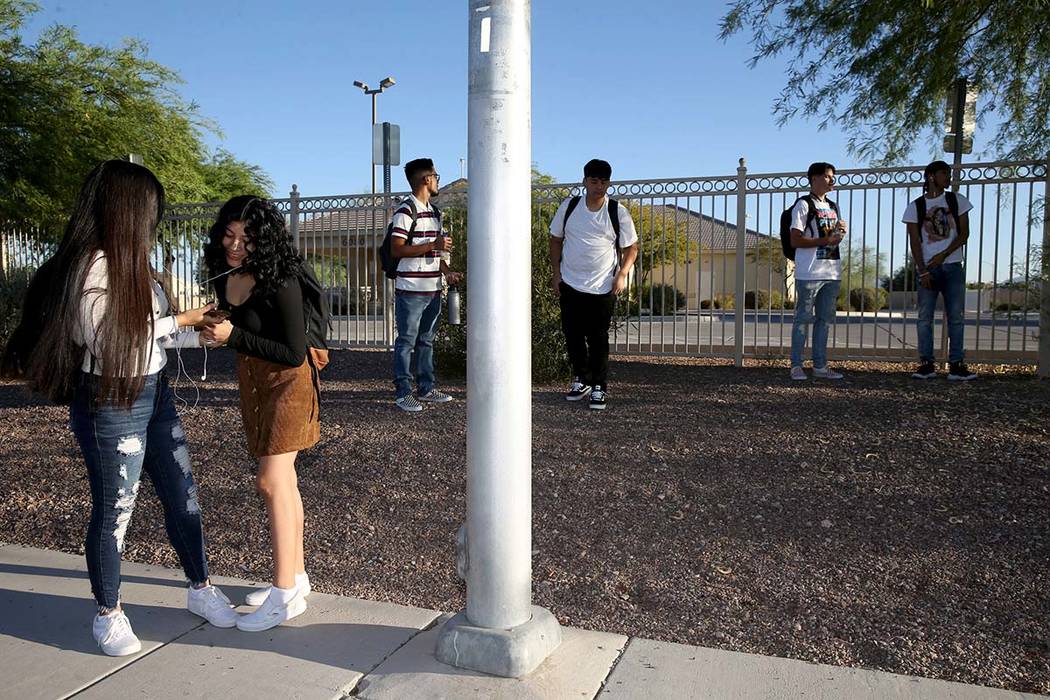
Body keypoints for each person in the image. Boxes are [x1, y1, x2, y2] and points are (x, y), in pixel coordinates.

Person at [16, 160, 237, 656]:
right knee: (116, 508)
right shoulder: (91, 266)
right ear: (127, 210)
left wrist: (193, 329)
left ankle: (200, 587)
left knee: (183, 494)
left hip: (153, 392)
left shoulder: (133, 262)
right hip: (112, 398)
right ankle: (108, 613)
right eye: (149, 210)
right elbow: (110, 340)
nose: (153, 221)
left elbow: (148, 338)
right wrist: (180, 318)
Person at [202, 195, 326, 631]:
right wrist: (216, 332)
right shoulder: (228, 275)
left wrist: (232, 335)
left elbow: (293, 353)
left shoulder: (282, 278)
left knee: (271, 481)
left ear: (265, 239)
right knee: (285, 481)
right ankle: (296, 576)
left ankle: (283, 595)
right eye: (230, 234)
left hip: (289, 384)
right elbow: (242, 329)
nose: (236, 245)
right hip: (254, 381)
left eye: (247, 238)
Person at [549, 159, 639, 410]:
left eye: (603, 181)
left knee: (598, 337)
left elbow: (632, 248)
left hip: (603, 286)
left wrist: (622, 274)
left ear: (609, 183)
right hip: (570, 282)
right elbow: (555, 240)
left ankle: (599, 385)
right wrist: (556, 274)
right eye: (594, 181)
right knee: (572, 335)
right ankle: (582, 379)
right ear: (585, 181)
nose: (599, 186)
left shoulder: (616, 211)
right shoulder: (570, 207)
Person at [389, 158, 463, 412]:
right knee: (406, 341)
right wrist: (434, 245)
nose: (438, 181)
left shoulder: (434, 212)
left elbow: (435, 254)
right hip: (410, 289)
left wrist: (447, 272)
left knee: (426, 340)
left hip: (432, 288)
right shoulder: (406, 210)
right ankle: (403, 392)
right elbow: (397, 249)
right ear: (426, 179)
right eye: (436, 176)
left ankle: (426, 387)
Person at [903, 160, 977, 380]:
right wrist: (923, 270)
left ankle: (956, 364)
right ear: (931, 177)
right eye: (944, 173)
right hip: (928, 270)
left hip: (952, 266)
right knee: (924, 317)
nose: (949, 178)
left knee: (956, 316)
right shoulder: (915, 206)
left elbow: (964, 234)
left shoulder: (957, 201)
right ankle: (926, 364)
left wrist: (943, 255)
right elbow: (914, 242)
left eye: (949, 173)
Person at [788, 162, 848, 380]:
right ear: (814, 178)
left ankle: (820, 366)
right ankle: (796, 365)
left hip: (831, 272)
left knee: (824, 320)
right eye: (827, 176)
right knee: (803, 319)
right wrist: (825, 239)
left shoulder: (833, 206)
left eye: (833, 177)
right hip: (810, 272)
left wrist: (840, 234)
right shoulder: (803, 205)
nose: (832, 180)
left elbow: (833, 239)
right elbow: (795, 239)